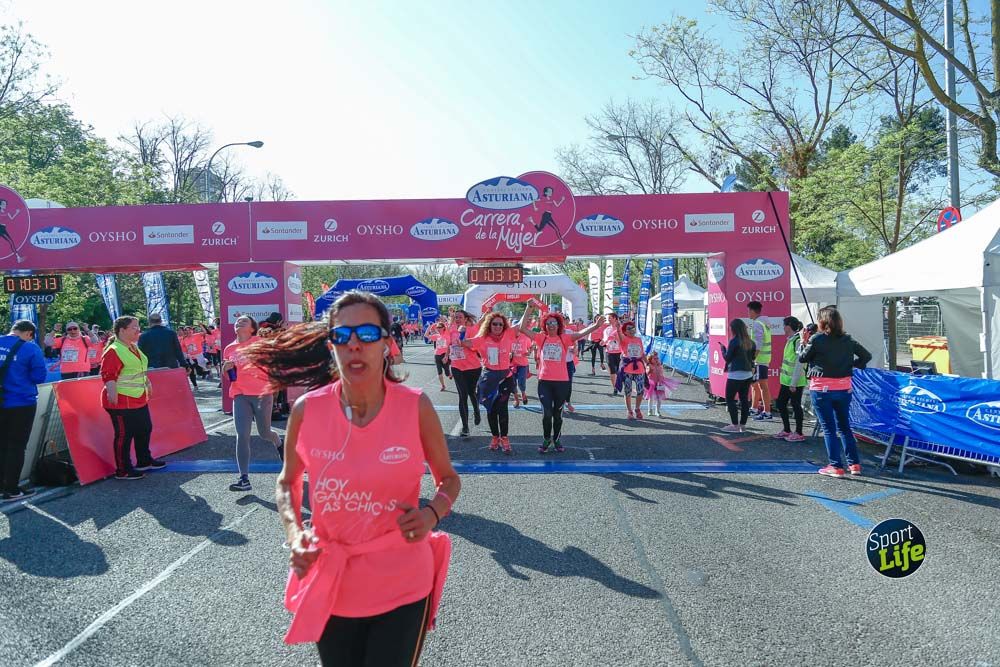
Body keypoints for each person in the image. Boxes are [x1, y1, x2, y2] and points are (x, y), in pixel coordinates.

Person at [244, 291, 460, 665]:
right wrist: (295, 535)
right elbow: (287, 482)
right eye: (343, 337)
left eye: (367, 334)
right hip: (334, 580)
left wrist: (432, 514)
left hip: (403, 580)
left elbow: (448, 479)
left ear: (388, 344)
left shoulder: (415, 406)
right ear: (331, 347)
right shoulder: (307, 410)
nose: (355, 345)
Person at [799, 306, 872, 478]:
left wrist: (803, 341)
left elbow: (803, 357)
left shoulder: (816, 339)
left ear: (822, 321)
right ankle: (854, 465)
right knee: (845, 427)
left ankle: (836, 466)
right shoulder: (847, 340)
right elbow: (866, 356)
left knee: (829, 429)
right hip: (844, 388)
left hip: (822, 389)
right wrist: (850, 364)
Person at [519, 304, 603, 453]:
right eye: (548, 323)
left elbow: (580, 333)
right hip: (544, 382)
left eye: (554, 323)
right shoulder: (541, 338)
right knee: (547, 414)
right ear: (545, 325)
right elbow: (523, 329)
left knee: (557, 415)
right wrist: (528, 309)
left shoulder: (564, 338)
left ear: (559, 325)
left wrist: (595, 326)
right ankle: (546, 439)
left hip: (562, 382)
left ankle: (556, 439)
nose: (551, 325)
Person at [222, 315, 284, 492]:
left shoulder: (261, 344)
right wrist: (225, 369)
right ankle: (244, 478)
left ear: (252, 329)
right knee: (242, 435)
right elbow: (228, 375)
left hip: (262, 394)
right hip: (240, 395)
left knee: (264, 433)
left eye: (243, 321)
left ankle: (278, 443)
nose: (238, 323)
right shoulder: (229, 348)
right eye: (237, 321)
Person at [101, 316, 165, 480]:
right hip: (121, 401)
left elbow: (138, 369)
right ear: (122, 330)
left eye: (138, 327)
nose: (138, 330)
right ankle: (123, 469)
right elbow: (108, 375)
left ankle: (144, 460)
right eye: (134, 327)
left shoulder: (133, 347)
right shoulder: (114, 350)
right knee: (124, 435)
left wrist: (148, 383)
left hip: (138, 398)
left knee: (144, 429)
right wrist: (112, 393)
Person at [457, 312, 517, 454]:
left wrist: (529, 307)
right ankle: (495, 437)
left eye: (500, 324)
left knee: (502, 408)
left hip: (505, 378)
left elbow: (521, 324)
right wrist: (462, 332)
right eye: (494, 323)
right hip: (489, 379)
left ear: (504, 326)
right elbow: (463, 343)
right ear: (489, 325)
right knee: (491, 409)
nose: (497, 326)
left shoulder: (508, 335)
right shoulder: (482, 338)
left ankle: (505, 438)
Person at [0, 320, 47, 501]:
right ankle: (11, 489)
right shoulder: (30, 348)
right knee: (16, 446)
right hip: (20, 403)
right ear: (29, 333)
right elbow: (38, 377)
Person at [446, 310, 482, 438]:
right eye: (456, 317)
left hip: (473, 367)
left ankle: (477, 411)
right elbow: (449, 344)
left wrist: (463, 338)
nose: (457, 319)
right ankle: (465, 427)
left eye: (460, 317)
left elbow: (476, 347)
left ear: (466, 319)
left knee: (471, 393)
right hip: (457, 366)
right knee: (462, 395)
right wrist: (446, 356)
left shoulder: (471, 330)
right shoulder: (452, 330)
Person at [720, 319, 757, 433]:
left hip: (735, 374)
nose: (729, 330)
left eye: (730, 328)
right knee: (744, 399)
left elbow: (727, 358)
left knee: (730, 399)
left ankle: (735, 425)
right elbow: (752, 359)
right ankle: (743, 425)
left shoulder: (734, 341)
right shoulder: (751, 342)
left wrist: (723, 350)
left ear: (734, 329)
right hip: (748, 374)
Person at [775, 317, 808, 442]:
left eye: (784, 325)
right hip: (786, 381)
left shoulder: (797, 341)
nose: (783, 328)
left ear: (789, 326)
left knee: (795, 405)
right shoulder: (791, 340)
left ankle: (799, 432)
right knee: (781, 404)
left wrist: (793, 383)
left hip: (795, 382)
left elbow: (800, 363)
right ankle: (787, 430)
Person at [611, 319, 648, 419]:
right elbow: (619, 336)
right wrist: (618, 328)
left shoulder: (638, 339)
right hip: (627, 368)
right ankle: (629, 410)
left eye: (633, 328)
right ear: (625, 331)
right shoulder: (623, 338)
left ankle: (637, 408)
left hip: (639, 367)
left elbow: (642, 353)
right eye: (629, 328)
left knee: (640, 390)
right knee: (628, 391)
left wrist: (647, 362)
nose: (632, 330)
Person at [747, 301, 774, 420]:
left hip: (760, 359)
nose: (748, 313)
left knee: (762, 385)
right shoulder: (763, 323)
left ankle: (767, 412)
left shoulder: (758, 324)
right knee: (754, 384)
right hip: (762, 358)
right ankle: (754, 408)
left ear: (753, 311)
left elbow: (758, 344)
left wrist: (752, 358)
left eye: (748, 311)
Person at [528, 186, 569, 250]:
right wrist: (535, 207)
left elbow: (557, 205)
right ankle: (563, 245)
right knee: (556, 229)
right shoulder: (542, 198)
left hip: (549, 215)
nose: (551, 192)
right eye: (549, 191)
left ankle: (531, 221)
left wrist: (562, 200)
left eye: (551, 191)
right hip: (546, 215)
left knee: (539, 229)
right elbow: (534, 200)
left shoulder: (552, 199)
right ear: (546, 192)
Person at [643, 352, 679, 418]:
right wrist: (649, 370)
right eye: (654, 358)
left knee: (659, 399)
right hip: (651, 384)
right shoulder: (649, 365)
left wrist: (661, 380)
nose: (656, 360)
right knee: (651, 398)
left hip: (659, 383)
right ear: (650, 359)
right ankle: (650, 410)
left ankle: (657, 411)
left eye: (657, 358)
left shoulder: (660, 365)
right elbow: (646, 374)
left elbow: (661, 374)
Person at [510, 325, 533, 408]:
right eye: (515, 329)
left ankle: (523, 393)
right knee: (512, 384)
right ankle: (516, 400)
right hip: (511, 365)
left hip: (523, 364)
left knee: (521, 383)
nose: (516, 331)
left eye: (518, 329)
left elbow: (531, 347)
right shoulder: (508, 337)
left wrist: (529, 352)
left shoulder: (525, 337)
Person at [602, 313, 623, 396]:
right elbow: (604, 339)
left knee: (619, 371)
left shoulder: (621, 328)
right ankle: (615, 387)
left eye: (610, 318)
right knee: (612, 371)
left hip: (619, 352)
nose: (609, 319)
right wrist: (603, 342)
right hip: (609, 352)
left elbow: (623, 339)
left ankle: (618, 384)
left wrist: (615, 337)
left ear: (615, 318)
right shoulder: (606, 329)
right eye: (608, 318)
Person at [428, 321, 451, 391]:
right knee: (439, 372)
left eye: (440, 327)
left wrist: (446, 356)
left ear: (443, 328)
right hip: (437, 355)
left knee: (447, 373)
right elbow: (426, 335)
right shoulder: (436, 336)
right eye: (437, 328)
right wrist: (430, 326)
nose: (438, 329)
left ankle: (450, 375)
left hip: (444, 355)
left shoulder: (447, 334)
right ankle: (443, 385)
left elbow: (448, 347)